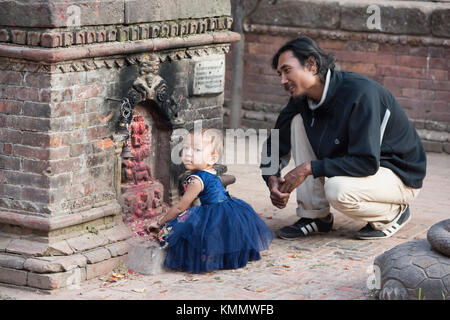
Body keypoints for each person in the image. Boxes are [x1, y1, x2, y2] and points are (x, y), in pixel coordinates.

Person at [260, 36, 426, 240]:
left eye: (287, 70)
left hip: (399, 175)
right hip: (364, 168)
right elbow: (275, 141)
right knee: (297, 121)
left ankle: (393, 213)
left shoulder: (360, 93)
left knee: (337, 189)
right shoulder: (301, 99)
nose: (282, 81)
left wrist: (308, 168)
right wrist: (271, 178)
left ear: (311, 65)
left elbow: (366, 162)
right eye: (279, 74)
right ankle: (315, 216)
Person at [147, 127, 273, 273]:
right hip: (229, 207)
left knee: (181, 229)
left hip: (214, 210)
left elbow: (180, 207)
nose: (188, 154)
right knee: (223, 232)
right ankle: (225, 256)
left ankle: (204, 258)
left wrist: (160, 222)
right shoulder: (211, 171)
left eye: (197, 150)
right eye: (186, 148)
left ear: (212, 158)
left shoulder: (196, 179)